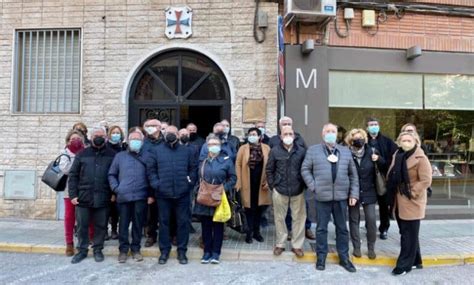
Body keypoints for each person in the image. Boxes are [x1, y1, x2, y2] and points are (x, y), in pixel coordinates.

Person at [301, 123, 359, 272]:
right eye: (328, 131)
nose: (330, 134)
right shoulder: (313, 151)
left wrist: (353, 194)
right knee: (321, 229)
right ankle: (321, 257)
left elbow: (353, 175)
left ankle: (344, 258)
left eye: (333, 131)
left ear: (337, 134)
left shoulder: (345, 151)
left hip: (341, 197)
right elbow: (305, 169)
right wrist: (314, 186)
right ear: (323, 134)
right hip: (322, 197)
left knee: (342, 229)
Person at [147, 125, 197, 265]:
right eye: (168, 132)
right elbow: (151, 171)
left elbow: (193, 168)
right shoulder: (156, 151)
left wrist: (190, 183)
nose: (171, 135)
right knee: (163, 223)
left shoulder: (186, 151)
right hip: (163, 194)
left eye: (174, 133)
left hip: (182, 193)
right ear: (164, 134)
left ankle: (182, 251)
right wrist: (157, 184)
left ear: (178, 135)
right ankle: (164, 251)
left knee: (183, 223)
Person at [68, 127, 116, 264]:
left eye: (101, 135)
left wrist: (113, 193)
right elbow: (73, 175)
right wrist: (73, 195)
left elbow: (115, 175)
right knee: (82, 225)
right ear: (91, 137)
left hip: (104, 196)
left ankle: (98, 249)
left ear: (106, 138)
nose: (98, 137)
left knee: (101, 225)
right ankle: (82, 250)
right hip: (83, 196)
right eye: (96, 135)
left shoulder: (112, 154)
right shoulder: (82, 154)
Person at [387, 132, 432, 275]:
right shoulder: (398, 154)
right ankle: (416, 261)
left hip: (412, 200)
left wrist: (412, 192)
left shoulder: (421, 158)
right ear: (399, 142)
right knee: (409, 233)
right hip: (399, 200)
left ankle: (404, 265)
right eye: (403, 140)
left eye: (409, 140)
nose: (406, 142)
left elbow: (426, 180)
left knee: (408, 235)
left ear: (415, 141)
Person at [108, 130, 153, 263]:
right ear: (127, 141)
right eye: (132, 139)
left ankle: (135, 249)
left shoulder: (148, 156)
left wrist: (150, 194)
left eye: (138, 139)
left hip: (141, 196)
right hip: (124, 196)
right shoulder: (120, 156)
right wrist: (116, 188)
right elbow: (111, 174)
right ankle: (123, 250)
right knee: (123, 224)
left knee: (138, 225)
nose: (135, 141)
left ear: (142, 142)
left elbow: (152, 177)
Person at [194, 134, 237, 264]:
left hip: (219, 196)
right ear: (207, 147)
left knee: (218, 226)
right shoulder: (203, 161)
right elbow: (198, 179)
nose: (213, 147)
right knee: (205, 225)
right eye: (211, 144)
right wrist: (198, 190)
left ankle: (216, 253)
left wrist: (223, 188)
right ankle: (207, 251)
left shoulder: (226, 160)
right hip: (205, 197)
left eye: (216, 144)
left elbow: (233, 178)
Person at [266, 126, 307, 257]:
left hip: (298, 189)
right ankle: (280, 244)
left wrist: (303, 184)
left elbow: (306, 169)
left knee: (299, 219)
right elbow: (269, 170)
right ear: (281, 136)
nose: (288, 136)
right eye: (285, 134)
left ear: (294, 136)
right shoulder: (274, 151)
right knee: (279, 218)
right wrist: (273, 186)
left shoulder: (301, 151)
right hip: (280, 189)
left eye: (291, 133)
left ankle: (297, 245)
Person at [345, 129, 384, 260]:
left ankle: (371, 247)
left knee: (371, 220)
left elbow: (384, 165)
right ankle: (356, 247)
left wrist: (378, 159)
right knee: (354, 220)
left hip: (369, 191)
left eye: (361, 137)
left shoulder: (372, 151)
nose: (359, 140)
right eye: (355, 138)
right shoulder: (346, 153)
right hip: (352, 192)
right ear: (351, 141)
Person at [59, 130, 94, 256]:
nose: (76, 140)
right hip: (70, 189)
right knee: (70, 216)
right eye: (73, 138)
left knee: (88, 214)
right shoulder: (65, 153)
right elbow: (65, 169)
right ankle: (69, 243)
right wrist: (80, 166)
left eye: (78, 138)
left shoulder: (87, 151)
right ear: (68, 141)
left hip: (85, 188)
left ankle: (90, 237)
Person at [235, 128, 271, 244]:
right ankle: (249, 233)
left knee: (259, 210)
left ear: (260, 136)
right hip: (247, 183)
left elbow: (271, 166)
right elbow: (238, 164)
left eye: (254, 134)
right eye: (250, 134)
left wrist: (269, 181)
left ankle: (257, 232)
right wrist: (238, 181)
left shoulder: (266, 148)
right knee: (248, 209)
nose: (252, 136)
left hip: (261, 184)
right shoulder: (243, 148)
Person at [366, 117, 398, 240]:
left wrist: (381, 160)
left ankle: (384, 228)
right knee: (368, 206)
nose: (374, 126)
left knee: (384, 206)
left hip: (382, 179)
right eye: (371, 124)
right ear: (367, 128)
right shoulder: (364, 141)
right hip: (367, 179)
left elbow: (393, 160)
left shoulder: (387, 142)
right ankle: (370, 227)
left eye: (375, 124)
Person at [142, 119, 163, 247]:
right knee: (151, 212)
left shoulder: (165, 141)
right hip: (148, 180)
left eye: (153, 125)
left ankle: (168, 235)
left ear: (159, 127)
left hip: (163, 180)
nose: (150, 128)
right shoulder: (143, 143)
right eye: (148, 126)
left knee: (166, 212)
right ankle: (151, 235)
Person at [105, 125, 127, 241]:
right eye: (113, 132)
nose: (115, 134)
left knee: (115, 210)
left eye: (118, 132)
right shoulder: (105, 147)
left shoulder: (123, 148)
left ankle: (114, 229)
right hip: (106, 180)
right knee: (105, 208)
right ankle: (104, 230)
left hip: (119, 181)